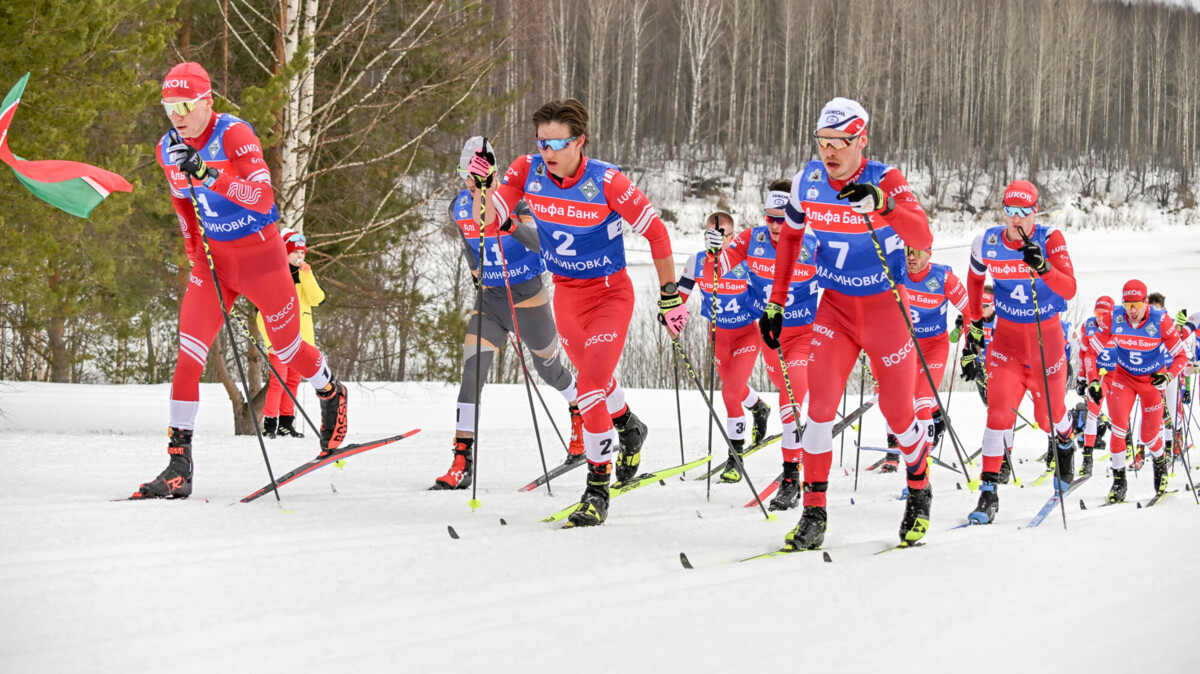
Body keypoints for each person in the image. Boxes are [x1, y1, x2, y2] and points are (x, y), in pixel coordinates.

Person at [134, 62, 348, 499]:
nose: (176, 115)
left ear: (207, 101)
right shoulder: (167, 147)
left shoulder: (234, 134)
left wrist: (208, 173)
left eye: (185, 105)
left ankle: (329, 389)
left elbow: (263, 199)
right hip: (215, 263)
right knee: (188, 356)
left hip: (262, 258)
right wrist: (195, 252)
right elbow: (182, 204)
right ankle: (178, 465)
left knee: (286, 349)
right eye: (168, 106)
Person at [467, 99, 684, 526]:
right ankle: (629, 425)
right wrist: (484, 189)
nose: (547, 152)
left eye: (558, 143)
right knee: (596, 384)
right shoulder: (526, 170)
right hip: (565, 293)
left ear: (579, 142)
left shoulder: (608, 181)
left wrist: (670, 294)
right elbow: (489, 223)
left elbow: (657, 234)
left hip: (609, 295)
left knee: (589, 388)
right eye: (541, 142)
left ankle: (597, 490)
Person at [758, 97, 935, 548]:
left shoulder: (886, 179)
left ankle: (919, 486)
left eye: (839, 142)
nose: (829, 152)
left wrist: (882, 205)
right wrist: (776, 304)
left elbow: (922, 234)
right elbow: (790, 242)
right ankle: (814, 512)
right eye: (822, 142)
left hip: (884, 310)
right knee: (816, 410)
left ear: (862, 140)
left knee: (898, 414)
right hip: (834, 309)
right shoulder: (808, 181)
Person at [432, 137, 583, 490]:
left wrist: (509, 225)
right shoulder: (459, 207)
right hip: (492, 300)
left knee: (549, 370)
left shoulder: (518, 201)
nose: (469, 181)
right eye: (465, 173)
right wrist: (475, 272)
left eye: (476, 174)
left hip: (528, 297)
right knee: (472, 375)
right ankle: (461, 459)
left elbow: (541, 242)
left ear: (494, 171)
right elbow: (470, 247)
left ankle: (579, 412)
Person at [964, 180, 1077, 524]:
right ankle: (988, 494)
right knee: (998, 415)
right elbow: (973, 283)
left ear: (1034, 211)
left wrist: (1043, 268)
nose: (1016, 219)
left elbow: (1069, 289)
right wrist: (973, 329)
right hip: (1007, 343)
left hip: (1046, 341)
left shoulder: (1050, 239)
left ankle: (1066, 440)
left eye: (1023, 212)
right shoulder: (987, 241)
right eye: (1009, 211)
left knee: (1048, 417)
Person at [718, 184, 820, 509]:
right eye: (771, 219)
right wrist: (713, 253)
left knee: (790, 402)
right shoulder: (751, 240)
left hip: (805, 335)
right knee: (784, 394)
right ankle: (797, 423)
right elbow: (719, 269)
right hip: (771, 336)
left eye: (784, 218)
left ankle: (791, 477)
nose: (777, 226)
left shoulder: (813, 244)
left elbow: (840, 282)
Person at [677, 211, 772, 483]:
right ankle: (758, 407)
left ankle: (735, 457)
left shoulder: (745, 261)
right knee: (736, 388)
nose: (714, 240)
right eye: (709, 234)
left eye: (720, 235)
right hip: (718, 336)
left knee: (729, 393)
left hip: (745, 335)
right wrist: (672, 316)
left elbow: (766, 294)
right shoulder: (695, 261)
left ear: (732, 237)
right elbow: (681, 296)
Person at [1086, 280, 1187, 501]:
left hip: (1151, 380)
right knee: (1119, 427)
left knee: (1149, 437)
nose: (1132, 310)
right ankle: (1119, 481)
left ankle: (1160, 464)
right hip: (1124, 377)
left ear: (1146, 302)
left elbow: (1181, 356)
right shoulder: (1114, 317)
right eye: (1128, 304)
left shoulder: (1161, 320)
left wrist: (1168, 376)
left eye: (1137, 305)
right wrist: (1093, 380)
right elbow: (1091, 353)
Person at [877, 244, 967, 471]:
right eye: (907, 251)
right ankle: (894, 451)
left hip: (933, 347)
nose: (911, 257)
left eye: (917, 252)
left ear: (929, 253)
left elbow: (971, 309)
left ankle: (921, 466)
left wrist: (970, 341)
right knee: (893, 398)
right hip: (902, 346)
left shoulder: (944, 279)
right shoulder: (894, 272)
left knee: (921, 401)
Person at [255, 228, 324, 439]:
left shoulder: (304, 279)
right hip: (279, 339)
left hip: (300, 342)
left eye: (302, 253)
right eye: (295, 253)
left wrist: (307, 274)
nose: (300, 257)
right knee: (278, 379)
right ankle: (269, 423)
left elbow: (317, 299)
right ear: (284, 253)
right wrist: (270, 341)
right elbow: (261, 313)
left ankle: (286, 422)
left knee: (293, 380)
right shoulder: (275, 276)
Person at [1076, 296, 1116, 476]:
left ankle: (1125, 449)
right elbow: (1084, 353)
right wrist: (1082, 378)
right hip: (1097, 375)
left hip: (1116, 374)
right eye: (1097, 313)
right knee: (1091, 415)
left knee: (1120, 415)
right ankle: (1087, 458)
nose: (1100, 318)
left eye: (1104, 314)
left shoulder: (1119, 325)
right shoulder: (1088, 326)